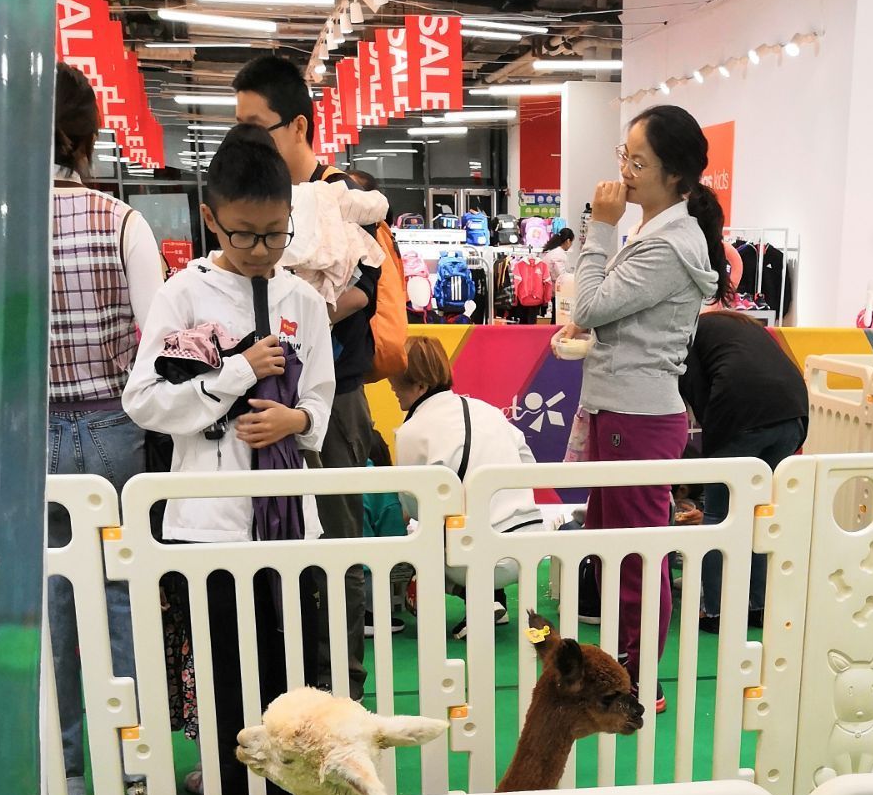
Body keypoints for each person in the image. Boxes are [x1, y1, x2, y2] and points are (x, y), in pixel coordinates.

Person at [123, 125, 335, 795]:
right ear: (211, 218)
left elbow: (320, 399)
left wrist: (295, 421)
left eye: (276, 234)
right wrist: (237, 372)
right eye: (245, 234)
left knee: (293, 673)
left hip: (291, 523)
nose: (261, 250)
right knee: (222, 676)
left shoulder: (303, 299)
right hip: (207, 527)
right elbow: (144, 401)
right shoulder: (184, 295)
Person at [566, 104, 726, 711]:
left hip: (637, 416)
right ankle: (618, 668)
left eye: (639, 163)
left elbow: (589, 305)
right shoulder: (657, 235)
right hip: (622, 410)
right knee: (612, 550)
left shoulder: (668, 245)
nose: (626, 173)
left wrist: (600, 228)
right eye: (624, 157)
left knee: (636, 557)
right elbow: (606, 315)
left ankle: (640, 680)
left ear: (675, 175)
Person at [234, 52, 379, 697]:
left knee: (337, 547)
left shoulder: (343, 197)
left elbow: (366, 289)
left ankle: (340, 689)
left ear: (297, 126)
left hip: (333, 399)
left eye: (255, 126)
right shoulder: (249, 199)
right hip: (258, 405)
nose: (245, 140)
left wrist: (295, 312)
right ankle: (287, 688)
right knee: (275, 546)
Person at [48, 61, 166, 795]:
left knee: (52, 603)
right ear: (89, 135)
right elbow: (159, 342)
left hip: (34, 436)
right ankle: (132, 772)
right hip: (116, 426)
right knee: (124, 599)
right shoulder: (121, 220)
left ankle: (62, 778)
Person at [390, 337, 544, 639]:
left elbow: (416, 509)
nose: (393, 390)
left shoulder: (411, 432)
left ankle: (479, 601)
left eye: (397, 384)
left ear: (420, 384)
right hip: (529, 541)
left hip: (474, 555)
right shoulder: (488, 410)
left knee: (421, 538)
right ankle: (492, 601)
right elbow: (528, 462)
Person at [679, 309, 809, 630]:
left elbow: (697, 394)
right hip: (793, 415)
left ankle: (715, 610)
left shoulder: (690, 333)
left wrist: (712, 451)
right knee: (758, 514)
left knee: (717, 516)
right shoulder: (747, 331)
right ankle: (758, 606)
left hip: (741, 415)